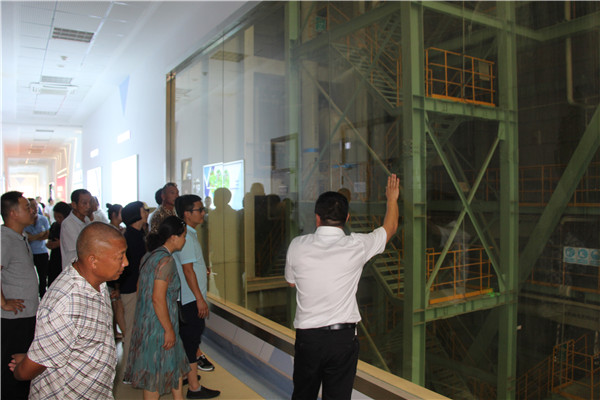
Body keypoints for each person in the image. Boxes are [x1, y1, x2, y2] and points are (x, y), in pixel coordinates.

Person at [285, 174, 400, 399]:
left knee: (303, 395)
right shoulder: (358, 245)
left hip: (309, 339)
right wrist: (392, 199)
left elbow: (291, 281)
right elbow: (390, 227)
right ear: (347, 218)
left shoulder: (297, 245)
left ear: (317, 218)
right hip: (342, 339)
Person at [10, 222, 128, 399]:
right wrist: (23, 367)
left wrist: (34, 356)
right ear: (93, 260)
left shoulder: (97, 281)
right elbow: (26, 371)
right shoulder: (66, 303)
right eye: (120, 257)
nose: (126, 262)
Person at [124, 216, 190, 399]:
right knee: (154, 374)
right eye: (183, 236)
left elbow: (140, 288)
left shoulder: (149, 256)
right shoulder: (166, 261)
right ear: (173, 237)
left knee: (173, 364)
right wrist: (168, 329)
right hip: (159, 324)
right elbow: (158, 298)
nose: (185, 240)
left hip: (147, 320)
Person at [174, 195, 220, 399]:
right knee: (191, 341)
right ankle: (194, 388)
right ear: (187, 214)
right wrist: (200, 299)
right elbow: (187, 270)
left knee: (189, 340)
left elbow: (191, 266)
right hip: (190, 300)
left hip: (190, 297)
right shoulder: (185, 236)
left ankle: (188, 375)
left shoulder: (189, 234)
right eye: (199, 210)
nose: (203, 213)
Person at [1, 191, 38, 400]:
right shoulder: (4, 239)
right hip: (13, 318)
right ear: (13, 213)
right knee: (12, 368)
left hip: (25, 315)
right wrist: (3, 302)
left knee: (23, 366)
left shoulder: (19, 237)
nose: (32, 211)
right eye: (27, 208)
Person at [118, 201, 150, 382]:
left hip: (137, 287)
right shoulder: (130, 237)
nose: (146, 212)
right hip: (131, 289)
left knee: (137, 330)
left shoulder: (138, 234)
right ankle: (128, 371)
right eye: (143, 210)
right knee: (131, 330)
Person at [24, 198, 51, 298]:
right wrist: (39, 235)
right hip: (29, 253)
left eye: (36, 205)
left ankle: (43, 296)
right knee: (30, 277)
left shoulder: (43, 219)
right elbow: (27, 238)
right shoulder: (25, 222)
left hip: (42, 252)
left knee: (43, 277)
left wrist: (33, 237)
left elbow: (47, 234)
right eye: (32, 206)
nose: (35, 208)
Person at [60, 189, 92, 269]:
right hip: (74, 269)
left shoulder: (87, 220)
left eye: (90, 202)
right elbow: (81, 248)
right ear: (74, 205)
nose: (88, 206)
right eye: (84, 203)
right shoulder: (68, 224)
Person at [46, 202, 71, 287]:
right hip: (55, 259)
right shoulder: (55, 225)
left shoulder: (70, 226)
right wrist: (51, 244)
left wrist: (60, 243)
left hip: (65, 259)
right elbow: (50, 240)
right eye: (55, 217)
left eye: (60, 217)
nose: (58, 220)